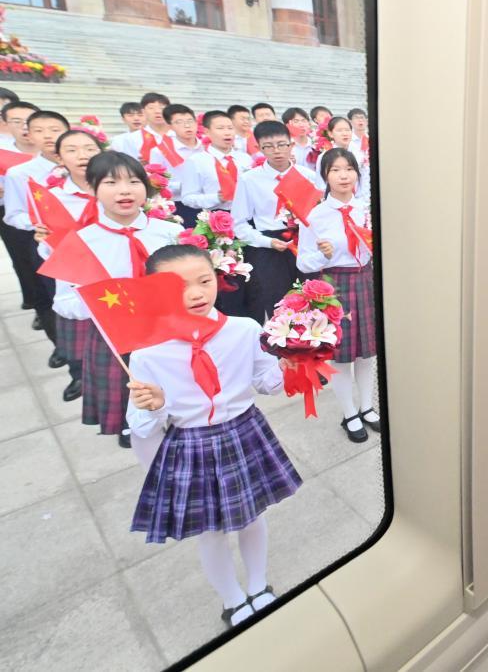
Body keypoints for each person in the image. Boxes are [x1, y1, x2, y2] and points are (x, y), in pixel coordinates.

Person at [127, 244, 302, 627]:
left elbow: (266, 382)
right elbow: (140, 427)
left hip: (244, 432)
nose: (195, 293)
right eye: (177, 287)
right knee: (211, 531)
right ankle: (232, 599)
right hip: (191, 444)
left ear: (217, 279)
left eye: (204, 281)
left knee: (252, 516)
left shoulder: (245, 330)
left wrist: (291, 365)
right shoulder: (148, 353)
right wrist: (154, 405)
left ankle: (258, 586)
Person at [71, 151, 183, 447]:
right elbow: (65, 303)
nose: (124, 191)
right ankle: (131, 427)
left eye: (134, 181)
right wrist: (100, 301)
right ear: (92, 188)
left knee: (178, 384)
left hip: (169, 326)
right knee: (131, 391)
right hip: (116, 334)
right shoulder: (82, 242)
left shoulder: (171, 232)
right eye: (111, 182)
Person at [295, 148, 379, 443]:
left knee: (367, 354)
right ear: (325, 176)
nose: (344, 176)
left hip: (366, 281)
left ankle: (367, 407)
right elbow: (303, 263)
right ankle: (350, 413)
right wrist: (323, 255)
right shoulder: (315, 216)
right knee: (341, 357)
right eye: (335, 170)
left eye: (349, 169)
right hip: (335, 285)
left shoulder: (367, 209)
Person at [33, 129, 103, 402]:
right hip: (76, 280)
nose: (82, 155)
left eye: (89, 148)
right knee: (83, 345)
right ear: (59, 158)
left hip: (118, 277)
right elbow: (48, 252)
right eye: (72, 150)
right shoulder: (53, 198)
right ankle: (80, 377)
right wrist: (44, 241)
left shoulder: (121, 190)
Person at [231, 120, 323, 321]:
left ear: (291, 144)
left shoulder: (308, 176)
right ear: (259, 148)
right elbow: (238, 223)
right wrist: (267, 242)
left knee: (309, 300)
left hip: (303, 243)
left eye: (282, 144)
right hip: (269, 245)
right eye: (268, 146)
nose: (277, 151)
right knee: (276, 303)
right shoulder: (249, 179)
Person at [4, 110, 70, 362]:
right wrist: (37, 223)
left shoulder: (84, 165)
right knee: (53, 297)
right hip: (47, 243)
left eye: (55, 130)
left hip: (85, 242)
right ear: (29, 136)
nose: (48, 136)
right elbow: (13, 215)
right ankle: (65, 353)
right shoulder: (20, 173)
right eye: (39, 131)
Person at [0, 101, 40, 317]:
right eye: (17, 121)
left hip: (54, 218)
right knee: (26, 262)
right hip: (18, 218)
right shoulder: (4, 153)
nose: (24, 126)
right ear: (6, 123)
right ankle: (39, 306)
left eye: (29, 121)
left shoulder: (57, 150)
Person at [181, 110, 253, 216]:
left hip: (246, 214)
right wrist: (217, 198)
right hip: (215, 217)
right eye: (220, 128)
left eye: (230, 128)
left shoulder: (245, 158)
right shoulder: (196, 161)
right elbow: (187, 198)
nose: (227, 132)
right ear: (207, 132)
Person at [151, 104, 205, 228]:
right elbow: (157, 185)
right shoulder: (159, 151)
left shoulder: (207, 147)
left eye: (190, 121)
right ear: (170, 126)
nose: (187, 126)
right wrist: (184, 186)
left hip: (210, 202)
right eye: (179, 122)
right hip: (180, 204)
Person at [123, 92, 173, 163]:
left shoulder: (180, 134)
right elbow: (129, 164)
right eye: (151, 108)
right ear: (143, 111)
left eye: (162, 108)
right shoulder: (132, 138)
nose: (157, 111)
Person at [282, 107, 316, 171]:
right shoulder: (283, 147)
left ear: (309, 124)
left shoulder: (317, 145)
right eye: (296, 121)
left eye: (304, 120)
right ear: (287, 125)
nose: (301, 125)